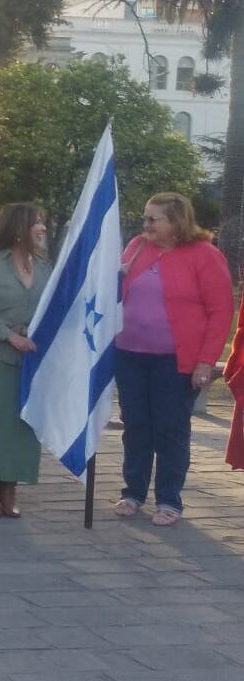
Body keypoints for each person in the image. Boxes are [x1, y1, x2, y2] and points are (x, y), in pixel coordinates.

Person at [112, 192, 234, 526]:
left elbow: (220, 310)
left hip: (176, 361)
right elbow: (113, 292)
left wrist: (207, 361)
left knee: (170, 430)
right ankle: (133, 492)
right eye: (145, 218)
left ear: (176, 221)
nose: (146, 224)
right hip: (130, 355)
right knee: (135, 426)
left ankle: (169, 500)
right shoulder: (137, 246)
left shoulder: (205, 255)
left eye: (154, 219)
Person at [0, 203, 51, 519]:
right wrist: (8, 334)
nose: (43, 228)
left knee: (22, 424)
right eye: (37, 222)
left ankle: (10, 489)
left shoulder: (45, 267)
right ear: (19, 228)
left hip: (32, 358)